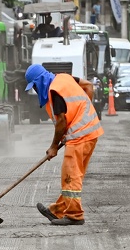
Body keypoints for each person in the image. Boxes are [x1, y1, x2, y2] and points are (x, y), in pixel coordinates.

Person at [25, 64, 103, 226]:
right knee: (74, 175)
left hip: (80, 137)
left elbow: (61, 122)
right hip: (89, 133)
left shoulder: (55, 91)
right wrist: (84, 111)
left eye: (34, 86)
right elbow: (88, 85)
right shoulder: (64, 78)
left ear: (39, 81)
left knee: (70, 176)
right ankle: (58, 210)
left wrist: (54, 146)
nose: (35, 90)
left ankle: (75, 215)